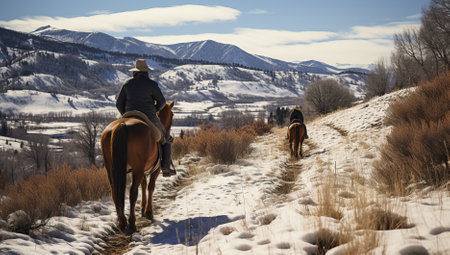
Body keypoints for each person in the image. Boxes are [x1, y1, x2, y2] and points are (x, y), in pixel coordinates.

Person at [116, 59, 176, 177]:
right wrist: (155, 110)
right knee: (166, 139)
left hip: (128, 115)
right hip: (149, 116)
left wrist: (125, 116)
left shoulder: (127, 84)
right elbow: (162, 102)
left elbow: (118, 104)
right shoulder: (152, 84)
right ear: (146, 72)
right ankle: (165, 168)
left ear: (135, 72)